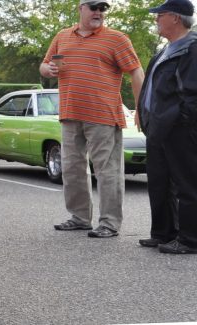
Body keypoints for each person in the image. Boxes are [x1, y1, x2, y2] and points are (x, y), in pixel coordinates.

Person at [39, 0, 144, 238]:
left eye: (103, 8)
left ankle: (109, 223)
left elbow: (136, 71)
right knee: (72, 168)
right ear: (81, 8)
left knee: (108, 171)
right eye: (94, 7)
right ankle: (79, 217)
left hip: (103, 116)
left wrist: (141, 107)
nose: (99, 12)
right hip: (70, 113)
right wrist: (47, 70)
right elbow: (45, 65)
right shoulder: (62, 36)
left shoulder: (117, 39)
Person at [136, 0, 197, 254]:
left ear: (174, 17)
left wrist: (181, 120)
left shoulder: (191, 49)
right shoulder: (167, 50)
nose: (155, 20)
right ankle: (163, 233)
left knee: (187, 183)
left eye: (158, 15)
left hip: (179, 128)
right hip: (158, 128)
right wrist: (144, 114)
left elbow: (191, 94)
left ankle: (190, 240)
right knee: (159, 182)